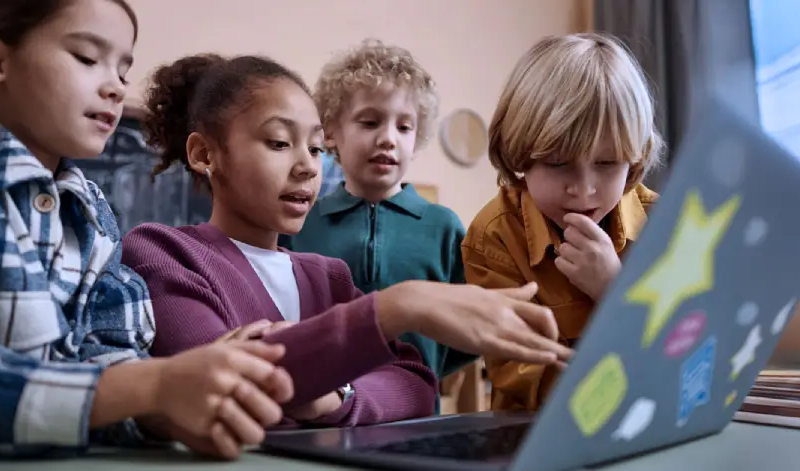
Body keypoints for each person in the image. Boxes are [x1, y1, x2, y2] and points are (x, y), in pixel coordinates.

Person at [121, 53, 571, 428]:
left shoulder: (327, 276)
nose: (307, 166)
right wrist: (397, 307)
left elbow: (416, 383)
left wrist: (335, 396)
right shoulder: (163, 253)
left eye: (315, 149)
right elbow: (224, 384)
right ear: (204, 155)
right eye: (279, 143)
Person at [0, 0, 294, 460]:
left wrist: (166, 407)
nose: (117, 89)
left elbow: (110, 356)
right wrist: (153, 384)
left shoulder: (92, 212)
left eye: (124, 71)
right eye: (86, 58)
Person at [461, 33, 664, 412]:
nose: (584, 191)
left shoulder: (662, 224)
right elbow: (523, 381)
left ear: (634, 160)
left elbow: (682, 360)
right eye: (558, 164)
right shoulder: (493, 238)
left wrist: (614, 293)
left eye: (607, 164)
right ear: (518, 157)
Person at [280, 40, 476, 409]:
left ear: (417, 139)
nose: (388, 138)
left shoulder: (443, 227)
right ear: (331, 133)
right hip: (320, 417)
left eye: (404, 127)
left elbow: (466, 334)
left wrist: (427, 367)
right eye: (370, 122)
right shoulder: (301, 225)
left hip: (414, 417)